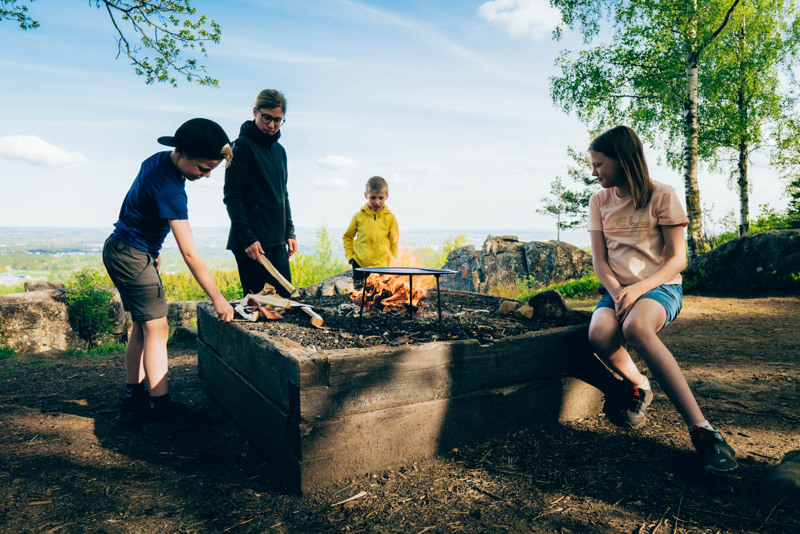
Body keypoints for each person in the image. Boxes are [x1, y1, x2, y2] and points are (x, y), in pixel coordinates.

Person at [586, 125, 738, 472]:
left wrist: (638, 289)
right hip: (617, 289)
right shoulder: (599, 201)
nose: (594, 173)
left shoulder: (662, 195)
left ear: (622, 161)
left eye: (599, 165)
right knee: (598, 335)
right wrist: (616, 291)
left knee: (638, 328)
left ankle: (703, 431)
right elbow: (599, 260)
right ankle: (639, 383)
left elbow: (677, 259)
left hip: (660, 286)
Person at [102, 118, 235, 435]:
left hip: (123, 248)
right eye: (203, 168)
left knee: (143, 326)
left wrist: (152, 249)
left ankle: (133, 401)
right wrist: (218, 299)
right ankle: (159, 411)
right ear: (183, 152)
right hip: (133, 255)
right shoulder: (172, 190)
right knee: (158, 328)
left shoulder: (156, 161)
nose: (205, 176)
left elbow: (132, 205)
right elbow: (189, 252)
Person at [223, 89, 297, 298]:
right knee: (260, 307)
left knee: (284, 302)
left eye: (278, 120)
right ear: (255, 111)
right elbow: (232, 197)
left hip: (277, 242)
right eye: (267, 118)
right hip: (251, 244)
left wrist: (289, 232)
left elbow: (283, 194)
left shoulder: (280, 151)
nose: (272, 125)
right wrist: (247, 239)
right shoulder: (239, 148)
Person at [343, 176, 400, 288]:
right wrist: (351, 257)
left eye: (381, 198)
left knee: (379, 298)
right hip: (359, 264)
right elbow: (347, 237)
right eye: (373, 197)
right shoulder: (358, 217)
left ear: (387, 196)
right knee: (359, 298)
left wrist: (391, 262)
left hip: (382, 267)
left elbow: (394, 242)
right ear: (366, 195)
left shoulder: (390, 218)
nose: (377, 202)